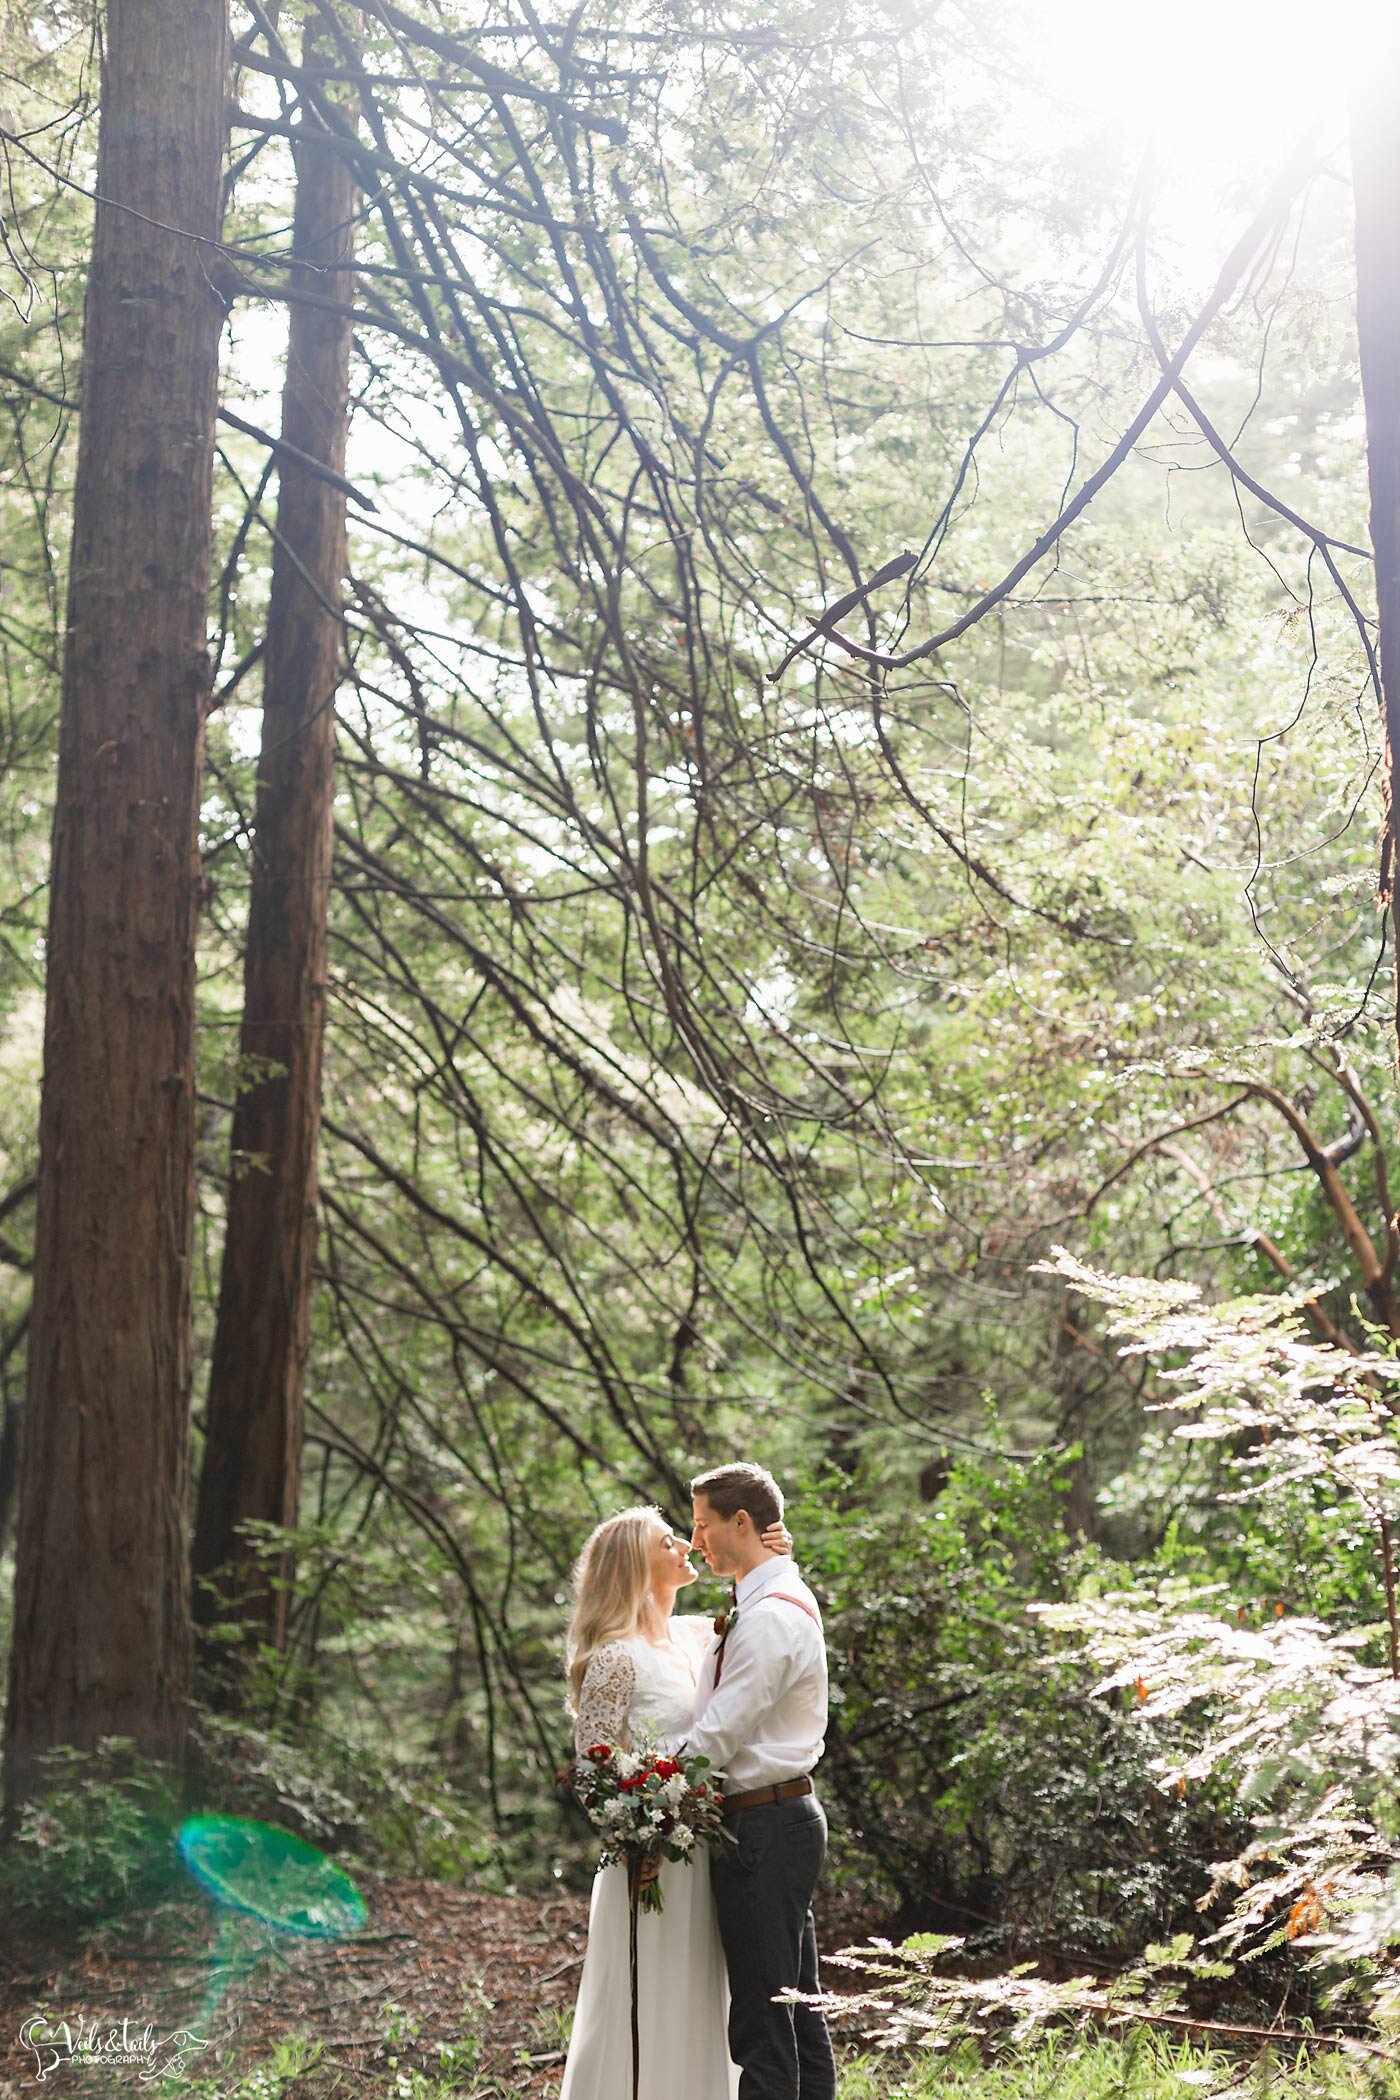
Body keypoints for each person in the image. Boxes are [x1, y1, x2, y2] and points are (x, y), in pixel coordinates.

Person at [558, 1501, 791, 2100]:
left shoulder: (696, 1638)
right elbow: (595, 1770)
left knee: (703, 1999)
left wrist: (776, 1557)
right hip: (650, 1865)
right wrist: (643, 1834)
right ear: (635, 1563)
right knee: (651, 2000)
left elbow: (764, 1618)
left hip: (706, 1853)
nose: (686, 1545)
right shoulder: (614, 1658)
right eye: (668, 1541)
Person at [686, 1462, 837, 2100]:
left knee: (763, 2024)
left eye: (702, 1524)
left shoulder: (772, 1616)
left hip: (764, 1828)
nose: (695, 1541)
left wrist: (641, 1779)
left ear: (740, 1522)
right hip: (773, 1822)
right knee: (796, 2016)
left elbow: (719, 1735)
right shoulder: (763, 1597)